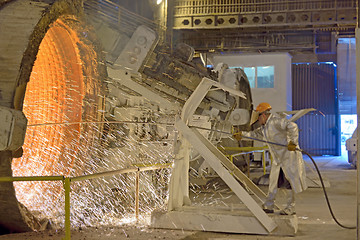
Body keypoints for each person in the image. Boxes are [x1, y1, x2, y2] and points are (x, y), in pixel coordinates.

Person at [233, 102, 307, 215]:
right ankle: (269, 205)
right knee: (273, 182)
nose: (258, 122)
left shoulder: (276, 121)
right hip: (278, 159)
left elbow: (293, 126)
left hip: (288, 157)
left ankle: (290, 208)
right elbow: (254, 135)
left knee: (289, 182)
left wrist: (293, 142)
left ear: (263, 115)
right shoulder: (264, 127)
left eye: (258, 119)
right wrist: (241, 135)